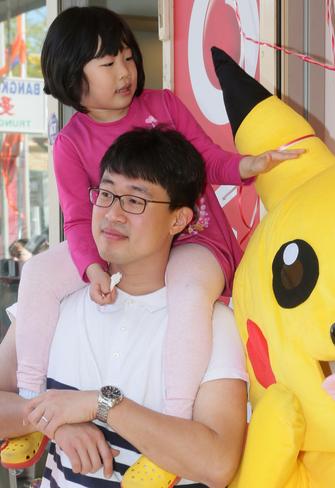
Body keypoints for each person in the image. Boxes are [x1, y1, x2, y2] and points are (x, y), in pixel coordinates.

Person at [6, 5, 299, 482]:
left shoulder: (162, 106)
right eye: (108, 64)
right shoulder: (71, 144)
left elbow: (206, 160)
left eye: (127, 57)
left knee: (187, 294)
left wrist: (244, 167)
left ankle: (171, 437)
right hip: (98, 254)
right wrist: (51, 418)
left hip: (198, 238)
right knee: (39, 273)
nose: (125, 72)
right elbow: (80, 220)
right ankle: (34, 405)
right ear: (72, 78)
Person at [0, 127, 248, 488]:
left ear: (179, 219)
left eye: (135, 201)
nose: (112, 214)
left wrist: (102, 405)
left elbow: (217, 463)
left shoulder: (211, 323)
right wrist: (52, 419)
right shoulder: (55, 303)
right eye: (105, 194)